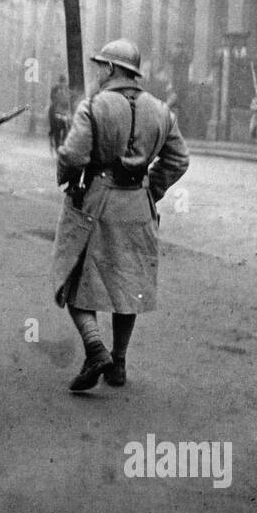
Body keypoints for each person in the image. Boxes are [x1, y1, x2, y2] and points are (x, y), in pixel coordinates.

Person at [51, 38, 189, 391]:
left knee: (73, 274)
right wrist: (151, 190)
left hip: (98, 203)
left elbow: (72, 156)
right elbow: (178, 159)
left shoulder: (94, 105)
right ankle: (119, 363)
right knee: (128, 283)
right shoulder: (160, 109)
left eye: (101, 66)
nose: (98, 72)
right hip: (138, 206)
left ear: (112, 69)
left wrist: (68, 182)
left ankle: (96, 349)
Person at [49, 75, 71, 152]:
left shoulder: (67, 88)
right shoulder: (55, 87)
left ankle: (63, 144)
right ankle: (57, 146)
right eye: (62, 82)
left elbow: (69, 98)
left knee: (67, 128)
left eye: (64, 82)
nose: (63, 84)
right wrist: (56, 100)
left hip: (64, 110)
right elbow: (52, 97)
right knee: (56, 129)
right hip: (57, 108)